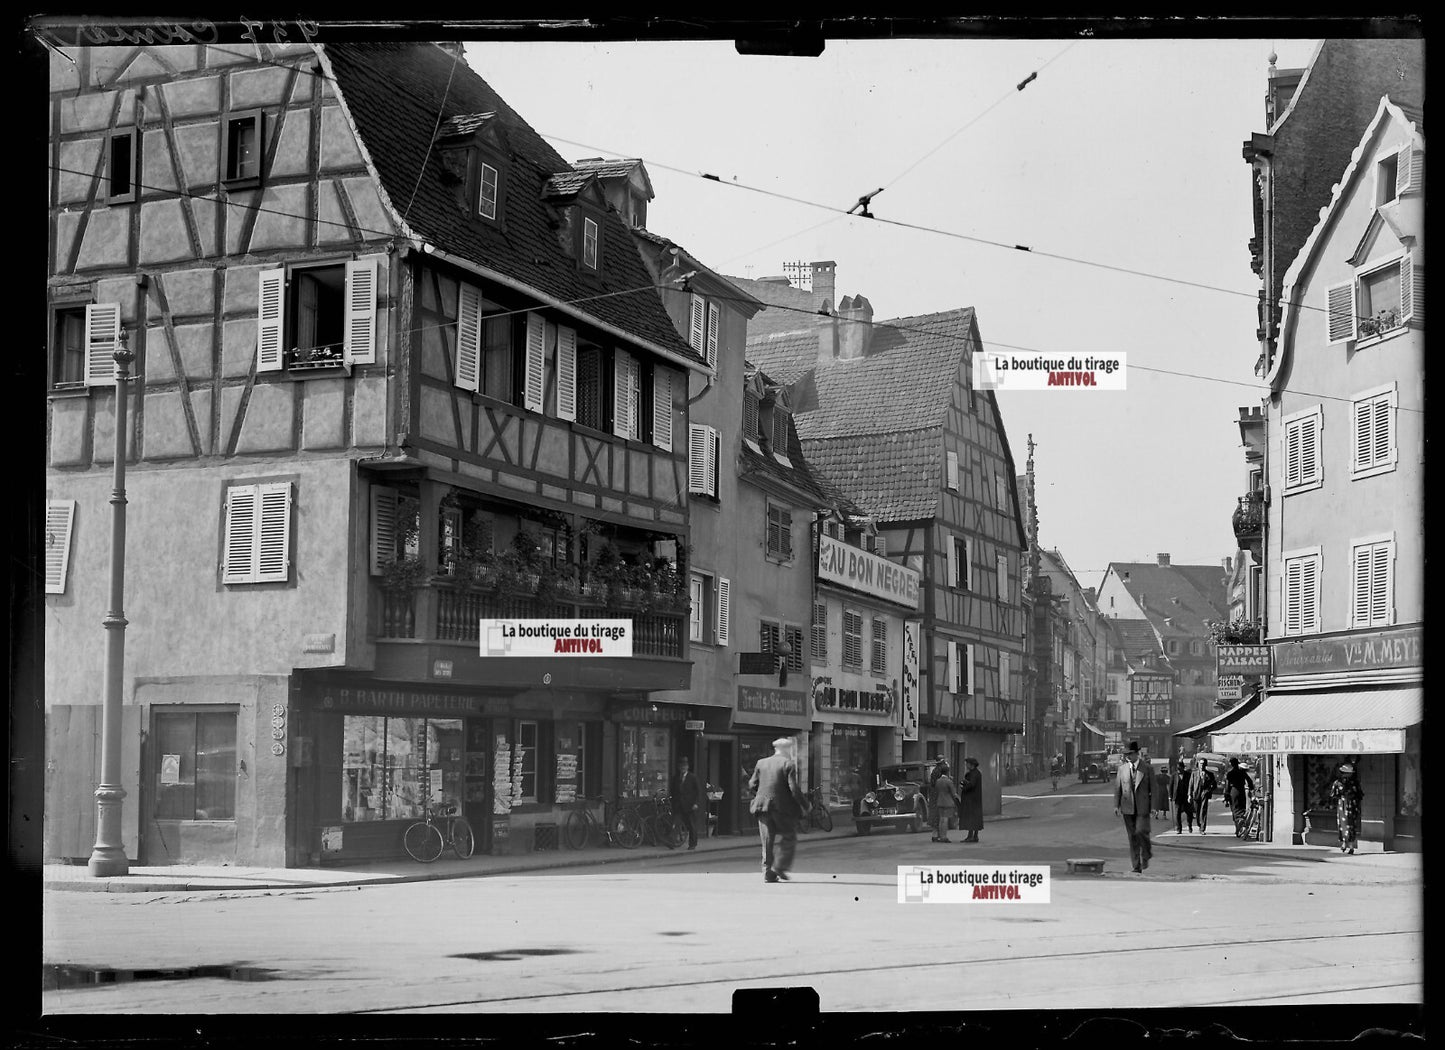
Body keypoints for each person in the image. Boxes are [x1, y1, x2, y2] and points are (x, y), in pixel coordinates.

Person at [748, 737, 808, 883]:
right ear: (787, 750)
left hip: (762, 807)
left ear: (775, 749)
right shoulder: (788, 763)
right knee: (789, 837)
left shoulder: (761, 763)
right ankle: (778, 867)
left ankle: (767, 871)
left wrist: (761, 795)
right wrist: (805, 805)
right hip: (782, 808)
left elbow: (751, 785)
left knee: (767, 840)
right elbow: (793, 789)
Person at [1112, 740, 1153, 873]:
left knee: (1141, 831)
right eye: (1126, 754)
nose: (1128, 757)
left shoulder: (1146, 768)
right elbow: (1118, 788)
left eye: (1130, 754)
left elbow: (1155, 789)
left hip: (1143, 807)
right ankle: (1136, 865)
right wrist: (1116, 805)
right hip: (1127, 807)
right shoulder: (1122, 769)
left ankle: (1146, 853)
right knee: (1132, 837)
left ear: (1137, 754)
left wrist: (1155, 806)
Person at [1330, 762, 1365, 855]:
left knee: (1350, 824)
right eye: (1346, 773)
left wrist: (1355, 802)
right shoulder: (1337, 783)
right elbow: (1333, 795)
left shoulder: (1354, 783)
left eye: (1349, 773)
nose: (1348, 775)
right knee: (1342, 824)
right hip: (1342, 805)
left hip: (1351, 805)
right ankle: (1344, 843)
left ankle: (1351, 845)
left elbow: (1360, 795)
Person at [672, 755, 702, 850]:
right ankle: (672, 842)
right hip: (679, 805)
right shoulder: (676, 778)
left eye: (684, 766)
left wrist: (696, 803)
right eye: (681, 766)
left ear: (687, 767)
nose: (682, 768)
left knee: (691, 825)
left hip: (690, 805)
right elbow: (674, 791)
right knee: (676, 823)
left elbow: (698, 791)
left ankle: (692, 844)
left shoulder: (692, 777)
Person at [929, 761, 960, 842]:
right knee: (945, 820)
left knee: (941, 819)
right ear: (947, 772)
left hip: (940, 802)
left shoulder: (938, 781)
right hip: (948, 802)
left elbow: (936, 789)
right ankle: (944, 836)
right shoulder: (949, 781)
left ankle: (940, 836)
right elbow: (953, 793)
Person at [1224, 757, 1255, 834]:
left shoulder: (1230, 773)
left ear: (1231, 764)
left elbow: (1227, 786)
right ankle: (1241, 820)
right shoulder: (1242, 772)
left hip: (1233, 792)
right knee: (1242, 807)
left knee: (1234, 809)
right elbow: (1249, 781)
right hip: (1241, 791)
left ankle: (1238, 825)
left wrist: (1226, 796)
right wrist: (1251, 788)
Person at [957, 757, 984, 843]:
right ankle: (974, 836)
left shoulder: (974, 774)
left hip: (971, 799)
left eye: (967, 764)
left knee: (971, 817)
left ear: (971, 764)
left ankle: (971, 836)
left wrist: (964, 786)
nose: (966, 765)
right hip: (975, 799)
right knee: (975, 817)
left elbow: (972, 784)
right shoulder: (976, 773)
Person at [1187, 756, 1217, 834]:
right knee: (1197, 811)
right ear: (1198, 764)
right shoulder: (1194, 773)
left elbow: (1214, 785)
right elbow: (1190, 784)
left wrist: (1209, 790)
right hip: (1196, 793)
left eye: (1203, 764)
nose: (1201, 765)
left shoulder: (1210, 774)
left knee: (1203, 810)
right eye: (1200, 764)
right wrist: (1189, 795)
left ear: (1205, 765)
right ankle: (1199, 823)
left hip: (1204, 793)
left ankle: (1202, 828)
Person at [1171, 758, 1195, 834]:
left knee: (1189, 813)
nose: (1178, 770)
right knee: (1177, 813)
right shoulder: (1174, 775)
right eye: (1177, 768)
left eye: (1180, 768)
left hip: (1186, 796)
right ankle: (1179, 828)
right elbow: (1171, 786)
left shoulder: (1188, 775)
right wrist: (1170, 795)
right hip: (1177, 797)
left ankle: (1190, 826)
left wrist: (1191, 794)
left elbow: (1192, 785)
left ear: (1183, 768)